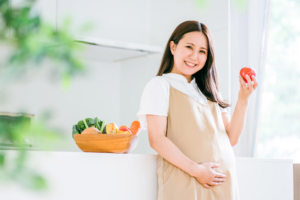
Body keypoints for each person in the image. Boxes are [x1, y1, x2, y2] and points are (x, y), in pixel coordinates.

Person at [137, 21, 258, 200]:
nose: (194, 56)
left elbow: (231, 137)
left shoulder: (209, 91)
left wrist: (243, 99)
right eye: (189, 47)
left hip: (223, 185)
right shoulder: (160, 85)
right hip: (187, 183)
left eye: (202, 51)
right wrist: (198, 171)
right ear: (173, 46)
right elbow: (157, 139)